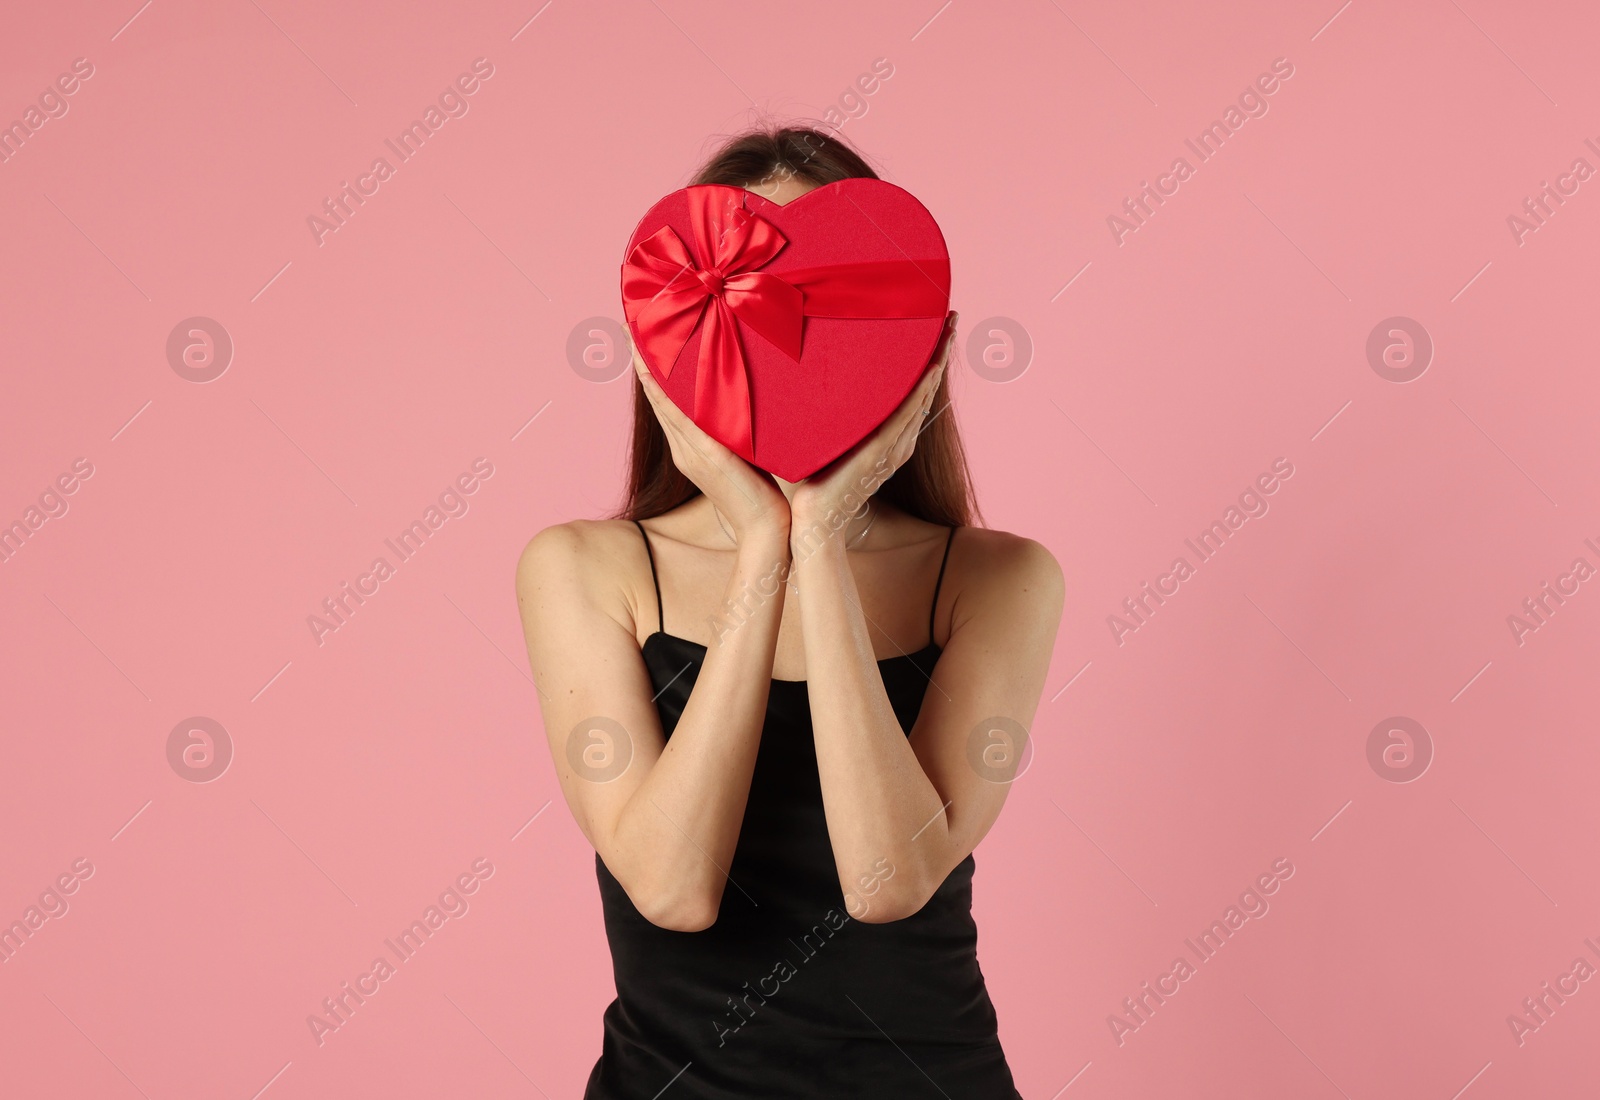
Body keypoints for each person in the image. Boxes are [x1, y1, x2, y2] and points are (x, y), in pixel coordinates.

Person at [515, 125, 1063, 1099]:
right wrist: (760, 546)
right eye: (743, 311)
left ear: (915, 347)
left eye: (825, 310)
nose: (784, 346)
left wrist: (818, 537)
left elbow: (887, 881)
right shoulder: (586, 569)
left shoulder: (998, 578)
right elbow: (673, 888)